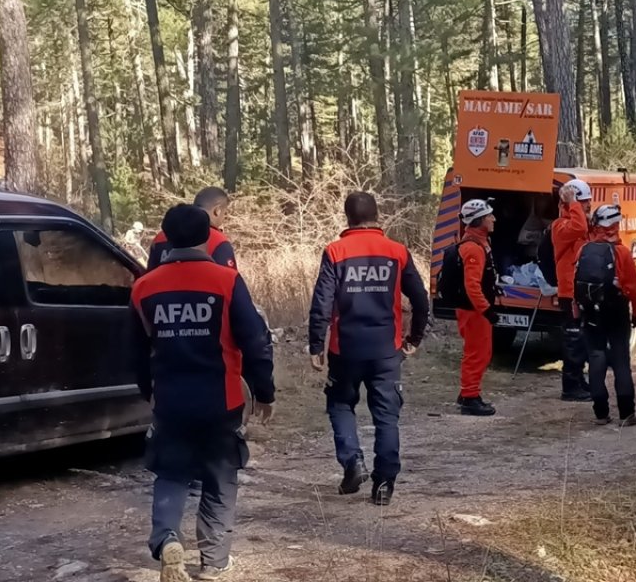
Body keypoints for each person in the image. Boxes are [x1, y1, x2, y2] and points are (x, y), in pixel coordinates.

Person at [130, 204, 275, 582]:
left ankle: (166, 539)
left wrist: (150, 392)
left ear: (166, 238)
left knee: (171, 473)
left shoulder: (144, 287)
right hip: (221, 399)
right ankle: (214, 561)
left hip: (172, 401)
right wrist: (264, 390)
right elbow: (254, 339)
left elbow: (133, 350)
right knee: (219, 477)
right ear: (206, 237)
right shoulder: (225, 281)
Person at [308, 192, 430, 506]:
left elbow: (322, 303)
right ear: (378, 216)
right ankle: (384, 485)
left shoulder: (335, 251)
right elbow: (420, 300)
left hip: (344, 349)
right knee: (386, 418)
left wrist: (316, 344)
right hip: (386, 351)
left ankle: (352, 462)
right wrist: (414, 339)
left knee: (339, 405)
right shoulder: (397, 252)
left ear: (347, 218)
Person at [573, 204, 636, 427]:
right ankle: (626, 413)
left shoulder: (584, 249)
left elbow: (575, 282)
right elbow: (634, 287)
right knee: (621, 360)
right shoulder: (621, 253)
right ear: (615, 225)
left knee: (596, 359)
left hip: (590, 312)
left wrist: (578, 311)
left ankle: (601, 413)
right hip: (616, 310)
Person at [454, 199, 500, 416]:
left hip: (474, 310)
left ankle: (467, 393)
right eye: (489, 215)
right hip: (474, 312)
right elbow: (471, 285)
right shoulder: (473, 248)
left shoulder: (477, 243)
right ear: (479, 220)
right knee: (477, 353)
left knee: (481, 352)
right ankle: (470, 397)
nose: (494, 219)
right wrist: (486, 309)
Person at [551, 179, 594, 402]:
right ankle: (570, 387)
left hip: (583, 291)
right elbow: (579, 227)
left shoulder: (582, 224)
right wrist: (573, 204)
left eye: (587, 202)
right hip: (570, 293)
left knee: (583, 340)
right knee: (573, 340)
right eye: (585, 202)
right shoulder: (561, 226)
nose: (588, 206)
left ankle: (579, 380)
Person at [148, 186, 238, 271]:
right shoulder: (219, 241)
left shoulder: (159, 238)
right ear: (217, 211)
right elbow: (229, 280)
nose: (225, 217)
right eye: (225, 213)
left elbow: (149, 275)